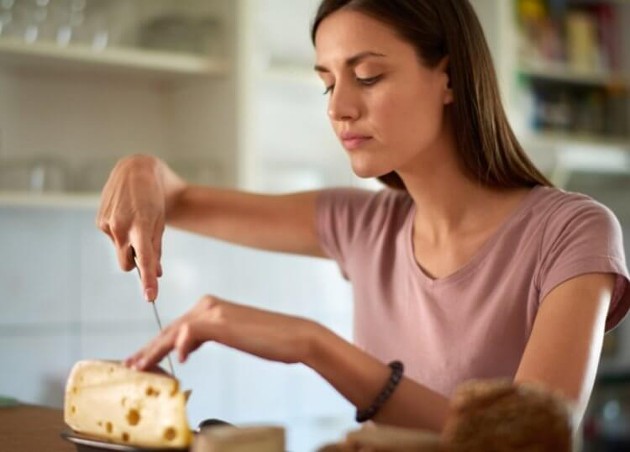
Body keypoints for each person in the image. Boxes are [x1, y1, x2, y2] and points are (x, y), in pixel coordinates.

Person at [96, 0, 630, 433]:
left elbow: (527, 444)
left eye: (368, 76)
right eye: (328, 82)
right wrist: (139, 168)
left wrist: (313, 344)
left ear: (449, 78)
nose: (338, 107)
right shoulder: (366, 225)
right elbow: (179, 197)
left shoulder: (572, 232)